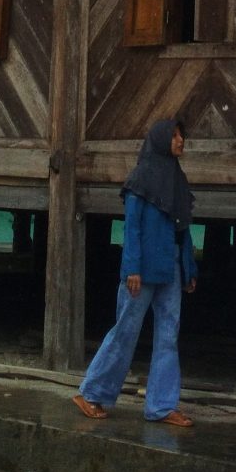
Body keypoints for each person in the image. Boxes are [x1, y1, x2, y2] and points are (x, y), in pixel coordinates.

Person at [71, 117, 197, 428]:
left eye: (182, 136)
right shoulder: (140, 180)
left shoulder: (176, 180)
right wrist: (132, 269)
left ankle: (161, 406)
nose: (181, 141)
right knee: (125, 331)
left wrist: (189, 268)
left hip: (170, 269)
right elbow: (132, 229)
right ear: (160, 139)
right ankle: (91, 393)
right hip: (141, 272)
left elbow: (183, 229)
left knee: (168, 335)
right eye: (175, 136)